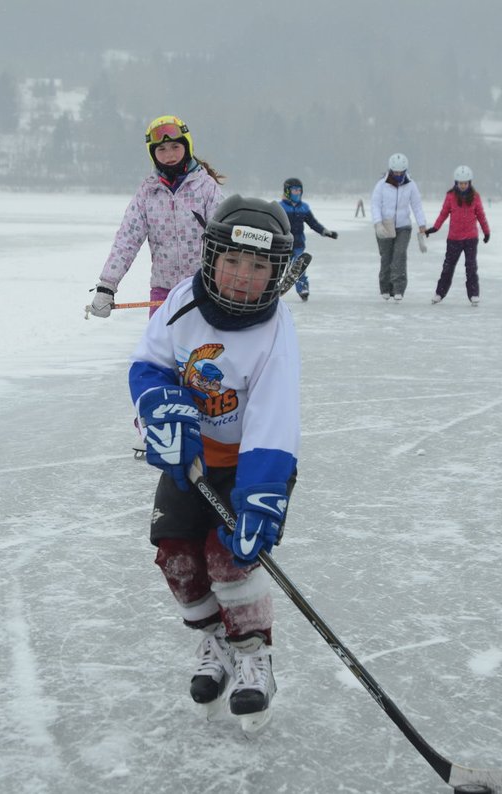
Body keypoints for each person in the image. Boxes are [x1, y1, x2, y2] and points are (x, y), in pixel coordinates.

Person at [128, 195, 301, 733]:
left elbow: (274, 422)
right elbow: (148, 366)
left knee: (229, 559)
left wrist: (261, 497)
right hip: (189, 459)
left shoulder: (275, 333)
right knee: (177, 558)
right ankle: (216, 644)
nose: (244, 276)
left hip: (247, 466)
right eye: (233, 261)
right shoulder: (181, 302)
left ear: (276, 272)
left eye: (258, 266)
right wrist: (158, 410)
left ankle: (253, 655)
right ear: (211, 256)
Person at [88, 115, 226, 319]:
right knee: (158, 351)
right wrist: (107, 286)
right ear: (153, 154)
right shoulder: (148, 192)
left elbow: (225, 238)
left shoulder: (205, 187)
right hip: (163, 293)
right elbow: (127, 240)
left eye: (175, 147)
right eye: (161, 149)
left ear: (187, 147)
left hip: (203, 290)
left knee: (204, 351)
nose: (169, 154)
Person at [427, 165, 491, 306]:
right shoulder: (450, 196)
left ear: (469, 183)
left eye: (465, 183)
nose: (463, 186)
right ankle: (439, 293)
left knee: (471, 267)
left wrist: (486, 231)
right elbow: (443, 214)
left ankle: (474, 294)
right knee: (448, 267)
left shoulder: (475, 197)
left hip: (470, 238)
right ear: (456, 183)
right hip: (454, 239)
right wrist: (435, 228)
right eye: (460, 183)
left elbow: (481, 215)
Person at [370, 153, 428, 301]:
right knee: (386, 257)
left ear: (405, 171)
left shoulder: (411, 185)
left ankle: (398, 289)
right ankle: (385, 288)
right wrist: (377, 223)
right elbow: (375, 205)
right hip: (384, 225)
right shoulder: (381, 185)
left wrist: (422, 224)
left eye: (400, 172)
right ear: (390, 170)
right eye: (395, 172)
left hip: (403, 226)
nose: (397, 175)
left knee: (399, 255)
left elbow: (417, 205)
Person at [279, 177, 338, 301]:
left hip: (299, 244)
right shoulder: (280, 207)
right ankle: (272, 288)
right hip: (283, 244)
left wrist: (325, 232)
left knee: (299, 266)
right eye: (294, 190)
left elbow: (313, 223)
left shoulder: (303, 207)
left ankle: (303, 289)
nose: (297, 193)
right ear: (287, 191)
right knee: (279, 268)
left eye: (299, 190)